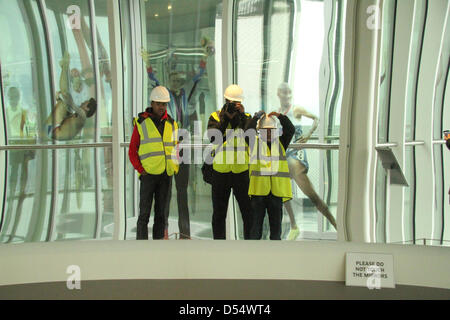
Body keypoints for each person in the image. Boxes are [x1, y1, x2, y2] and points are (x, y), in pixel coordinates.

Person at [140, 38, 213, 239]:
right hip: (168, 149)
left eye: (178, 79)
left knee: (182, 192)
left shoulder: (185, 95)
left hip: (184, 146)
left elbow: (198, 78)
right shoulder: (165, 98)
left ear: (181, 81)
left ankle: (185, 232)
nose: (176, 81)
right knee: (165, 194)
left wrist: (205, 58)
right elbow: (153, 80)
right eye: (173, 79)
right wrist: (147, 64)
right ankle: (163, 230)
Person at [277, 83, 337, 240]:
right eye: (284, 92)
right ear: (279, 94)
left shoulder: (296, 109)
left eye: (289, 92)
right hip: (283, 154)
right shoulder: (277, 113)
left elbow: (315, 119)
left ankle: (337, 225)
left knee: (312, 196)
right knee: (282, 193)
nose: (287, 95)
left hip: (295, 155)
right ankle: (294, 226)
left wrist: (309, 134)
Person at [128, 86, 179, 240]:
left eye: (163, 104)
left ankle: (158, 248)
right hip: (148, 174)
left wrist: (174, 166)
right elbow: (132, 150)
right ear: (152, 103)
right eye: (158, 103)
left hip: (166, 174)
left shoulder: (172, 123)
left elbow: (175, 147)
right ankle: (141, 248)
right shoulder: (142, 123)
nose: (161, 107)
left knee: (161, 215)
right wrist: (140, 169)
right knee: (144, 214)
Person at [207, 84, 253, 239]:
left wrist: (242, 117)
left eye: (236, 103)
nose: (233, 105)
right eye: (231, 102)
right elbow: (213, 138)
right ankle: (219, 247)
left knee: (248, 213)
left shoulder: (246, 118)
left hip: (241, 172)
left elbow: (251, 138)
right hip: (220, 172)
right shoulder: (216, 116)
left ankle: (249, 246)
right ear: (225, 100)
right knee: (219, 215)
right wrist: (226, 117)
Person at [247, 112, 295, 240]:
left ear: (276, 131)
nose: (268, 133)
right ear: (259, 131)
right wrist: (256, 118)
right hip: (258, 193)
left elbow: (290, 129)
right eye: (265, 130)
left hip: (276, 192)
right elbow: (247, 132)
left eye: (271, 130)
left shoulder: (281, 143)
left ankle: (275, 256)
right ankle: (253, 255)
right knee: (255, 229)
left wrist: (280, 116)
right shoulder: (253, 143)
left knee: (276, 231)